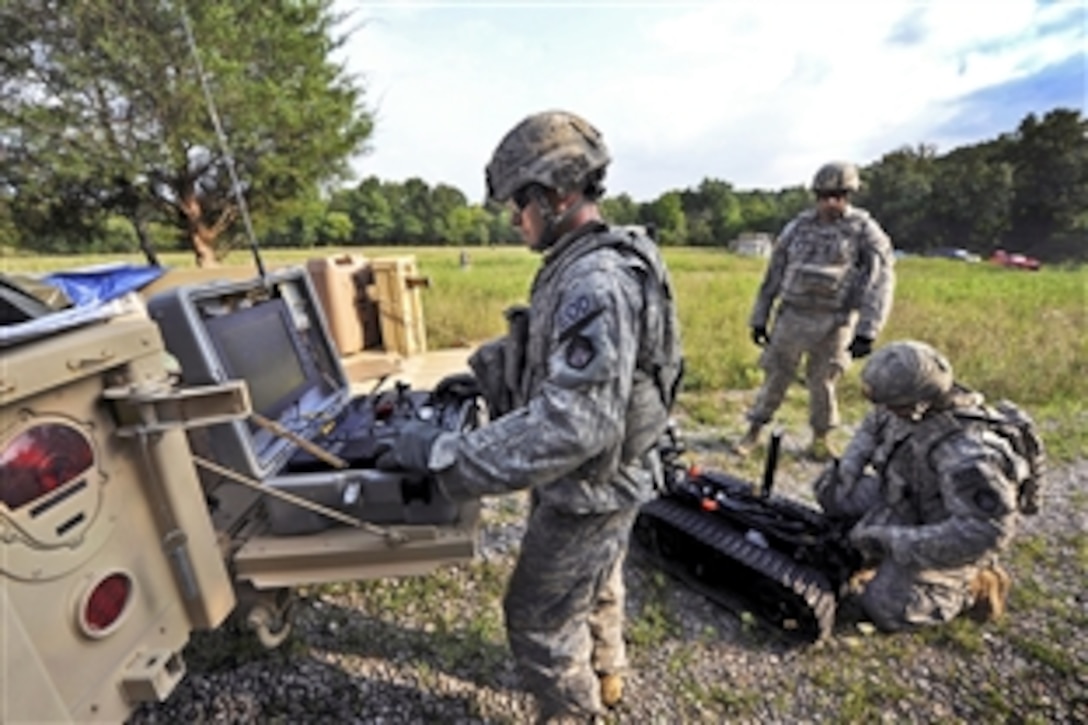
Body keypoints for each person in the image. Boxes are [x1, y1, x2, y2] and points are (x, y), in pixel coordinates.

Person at [375, 110, 683, 723]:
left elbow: (575, 426)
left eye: (520, 204)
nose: (516, 220)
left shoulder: (594, 281)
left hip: (590, 484)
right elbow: (582, 379)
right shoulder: (595, 257)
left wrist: (445, 457)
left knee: (538, 618)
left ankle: (575, 710)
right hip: (612, 473)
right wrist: (492, 378)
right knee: (596, 577)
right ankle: (607, 671)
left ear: (558, 194)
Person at [813, 340, 1042, 631]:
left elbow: (985, 532)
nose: (883, 409)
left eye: (891, 405)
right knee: (831, 490)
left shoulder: (968, 456)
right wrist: (850, 466)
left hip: (944, 530)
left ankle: (974, 585)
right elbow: (873, 424)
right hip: (904, 498)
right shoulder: (905, 401)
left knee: (885, 605)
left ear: (918, 404)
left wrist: (894, 541)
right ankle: (884, 555)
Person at [738, 161, 895, 460]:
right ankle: (753, 432)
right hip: (793, 315)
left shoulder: (864, 231)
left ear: (849, 195)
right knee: (776, 376)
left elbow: (881, 280)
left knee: (823, 382)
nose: (829, 202)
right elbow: (774, 273)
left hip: (835, 321)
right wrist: (760, 318)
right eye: (823, 195)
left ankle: (821, 439)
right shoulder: (798, 227)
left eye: (837, 195)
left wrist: (867, 330)